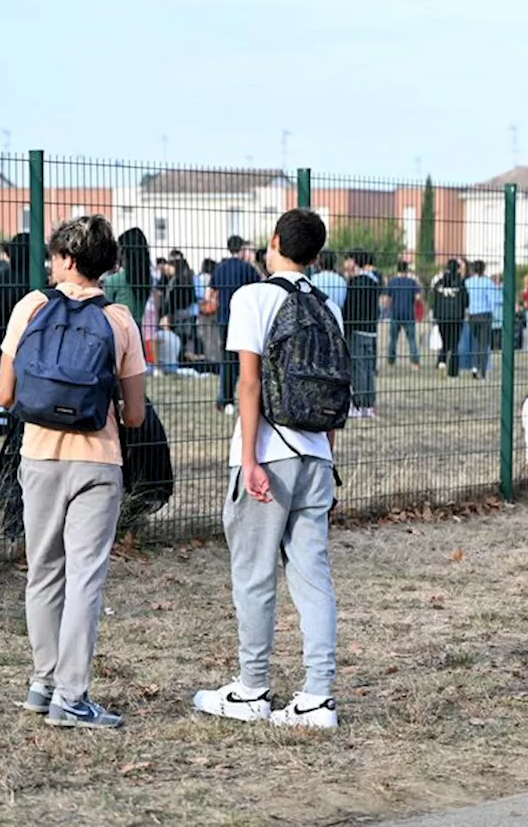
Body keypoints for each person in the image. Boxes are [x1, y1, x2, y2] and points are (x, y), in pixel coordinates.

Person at [192, 208, 342, 730]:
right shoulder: (330, 308)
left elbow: (249, 384)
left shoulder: (252, 298)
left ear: (274, 242)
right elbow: (332, 391)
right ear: (317, 255)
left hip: (268, 452)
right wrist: (326, 454)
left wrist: (250, 457)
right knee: (312, 576)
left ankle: (252, 687)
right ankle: (317, 696)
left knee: (254, 573)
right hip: (316, 457)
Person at [0, 215, 147, 730]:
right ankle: (73, 696)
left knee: (43, 571)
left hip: (39, 456)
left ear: (65, 259)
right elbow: (134, 415)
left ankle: (43, 682)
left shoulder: (30, 307)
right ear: (106, 264)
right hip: (97, 460)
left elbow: (5, 394)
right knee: (85, 578)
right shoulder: (120, 321)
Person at [213, 235, 261, 415]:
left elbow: (212, 293)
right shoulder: (247, 268)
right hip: (243, 319)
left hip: (223, 319)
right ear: (241, 249)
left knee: (227, 360)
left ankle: (225, 399)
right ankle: (246, 399)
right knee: (245, 360)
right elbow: (259, 286)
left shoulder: (220, 268)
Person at [343, 249, 381, 416]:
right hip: (371, 331)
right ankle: (369, 405)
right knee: (368, 368)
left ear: (354, 261)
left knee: (358, 367)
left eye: (348, 259)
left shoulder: (355, 283)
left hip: (357, 331)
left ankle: (358, 404)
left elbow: (350, 310)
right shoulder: (374, 282)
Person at [431, 259, 468, 378]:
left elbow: (434, 300)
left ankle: (441, 363)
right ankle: (453, 371)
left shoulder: (439, 283)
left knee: (445, 342)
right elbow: (466, 301)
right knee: (454, 345)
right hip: (456, 318)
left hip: (441, 318)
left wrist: (436, 315)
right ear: (457, 269)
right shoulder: (460, 283)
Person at [464, 259, 498, 378]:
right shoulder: (488, 282)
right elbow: (493, 299)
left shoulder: (468, 282)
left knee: (475, 342)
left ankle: (474, 367)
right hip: (485, 314)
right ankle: (482, 370)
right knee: (484, 344)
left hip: (472, 315)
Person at [386, 262, 421, 369]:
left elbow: (388, 299)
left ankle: (391, 362)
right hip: (409, 314)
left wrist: (390, 309)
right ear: (407, 270)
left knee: (393, 339)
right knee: (411, 340)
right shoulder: (412, 282)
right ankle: (415, 363)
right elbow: (418, 297)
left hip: (395, 314)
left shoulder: (392, 282)